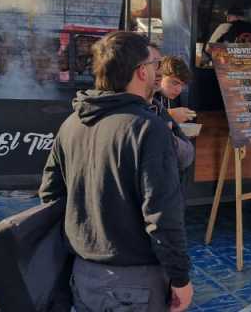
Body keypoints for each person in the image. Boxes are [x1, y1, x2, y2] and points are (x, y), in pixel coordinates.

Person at [39, 31, 192, 312]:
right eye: (154, 65)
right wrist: (181, 278)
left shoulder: (71, 124)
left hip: (82, 276)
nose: (158, 71)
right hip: (135, 284)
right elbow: (162, 215)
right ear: (140, 72)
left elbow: (50, 196)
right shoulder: (147, 129)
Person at [153, 53, 197, 198]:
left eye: (182, 85)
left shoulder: (173, 98)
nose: (178, 89)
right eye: (174, 82)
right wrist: (171, 115)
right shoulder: (150, 96)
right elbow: (142, 120)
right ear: (160, 76)